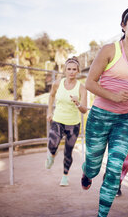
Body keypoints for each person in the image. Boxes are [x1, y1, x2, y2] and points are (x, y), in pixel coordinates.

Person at [81, 7, 128, 217]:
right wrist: (113, 96)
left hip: (124, 121)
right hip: (99, 117)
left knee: (114, 169)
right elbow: (89, 83)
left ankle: (102, 214)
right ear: (123, 25)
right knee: (94, 166)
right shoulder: (109, 50)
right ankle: (88, 171)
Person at [45, 56, 87, 186]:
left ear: (78, 71)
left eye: (74, 69)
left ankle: (65, 176)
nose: (71, 72)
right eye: (69, 69)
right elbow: (51, 96)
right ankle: (52, 154)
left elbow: (84, 110)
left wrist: (77, 102)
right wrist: (49, 112)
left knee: (68, 152)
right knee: (52, 144)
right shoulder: (57, 83)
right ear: (65, 70)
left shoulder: (81, 88)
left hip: (73, 124)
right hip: (58, 120)